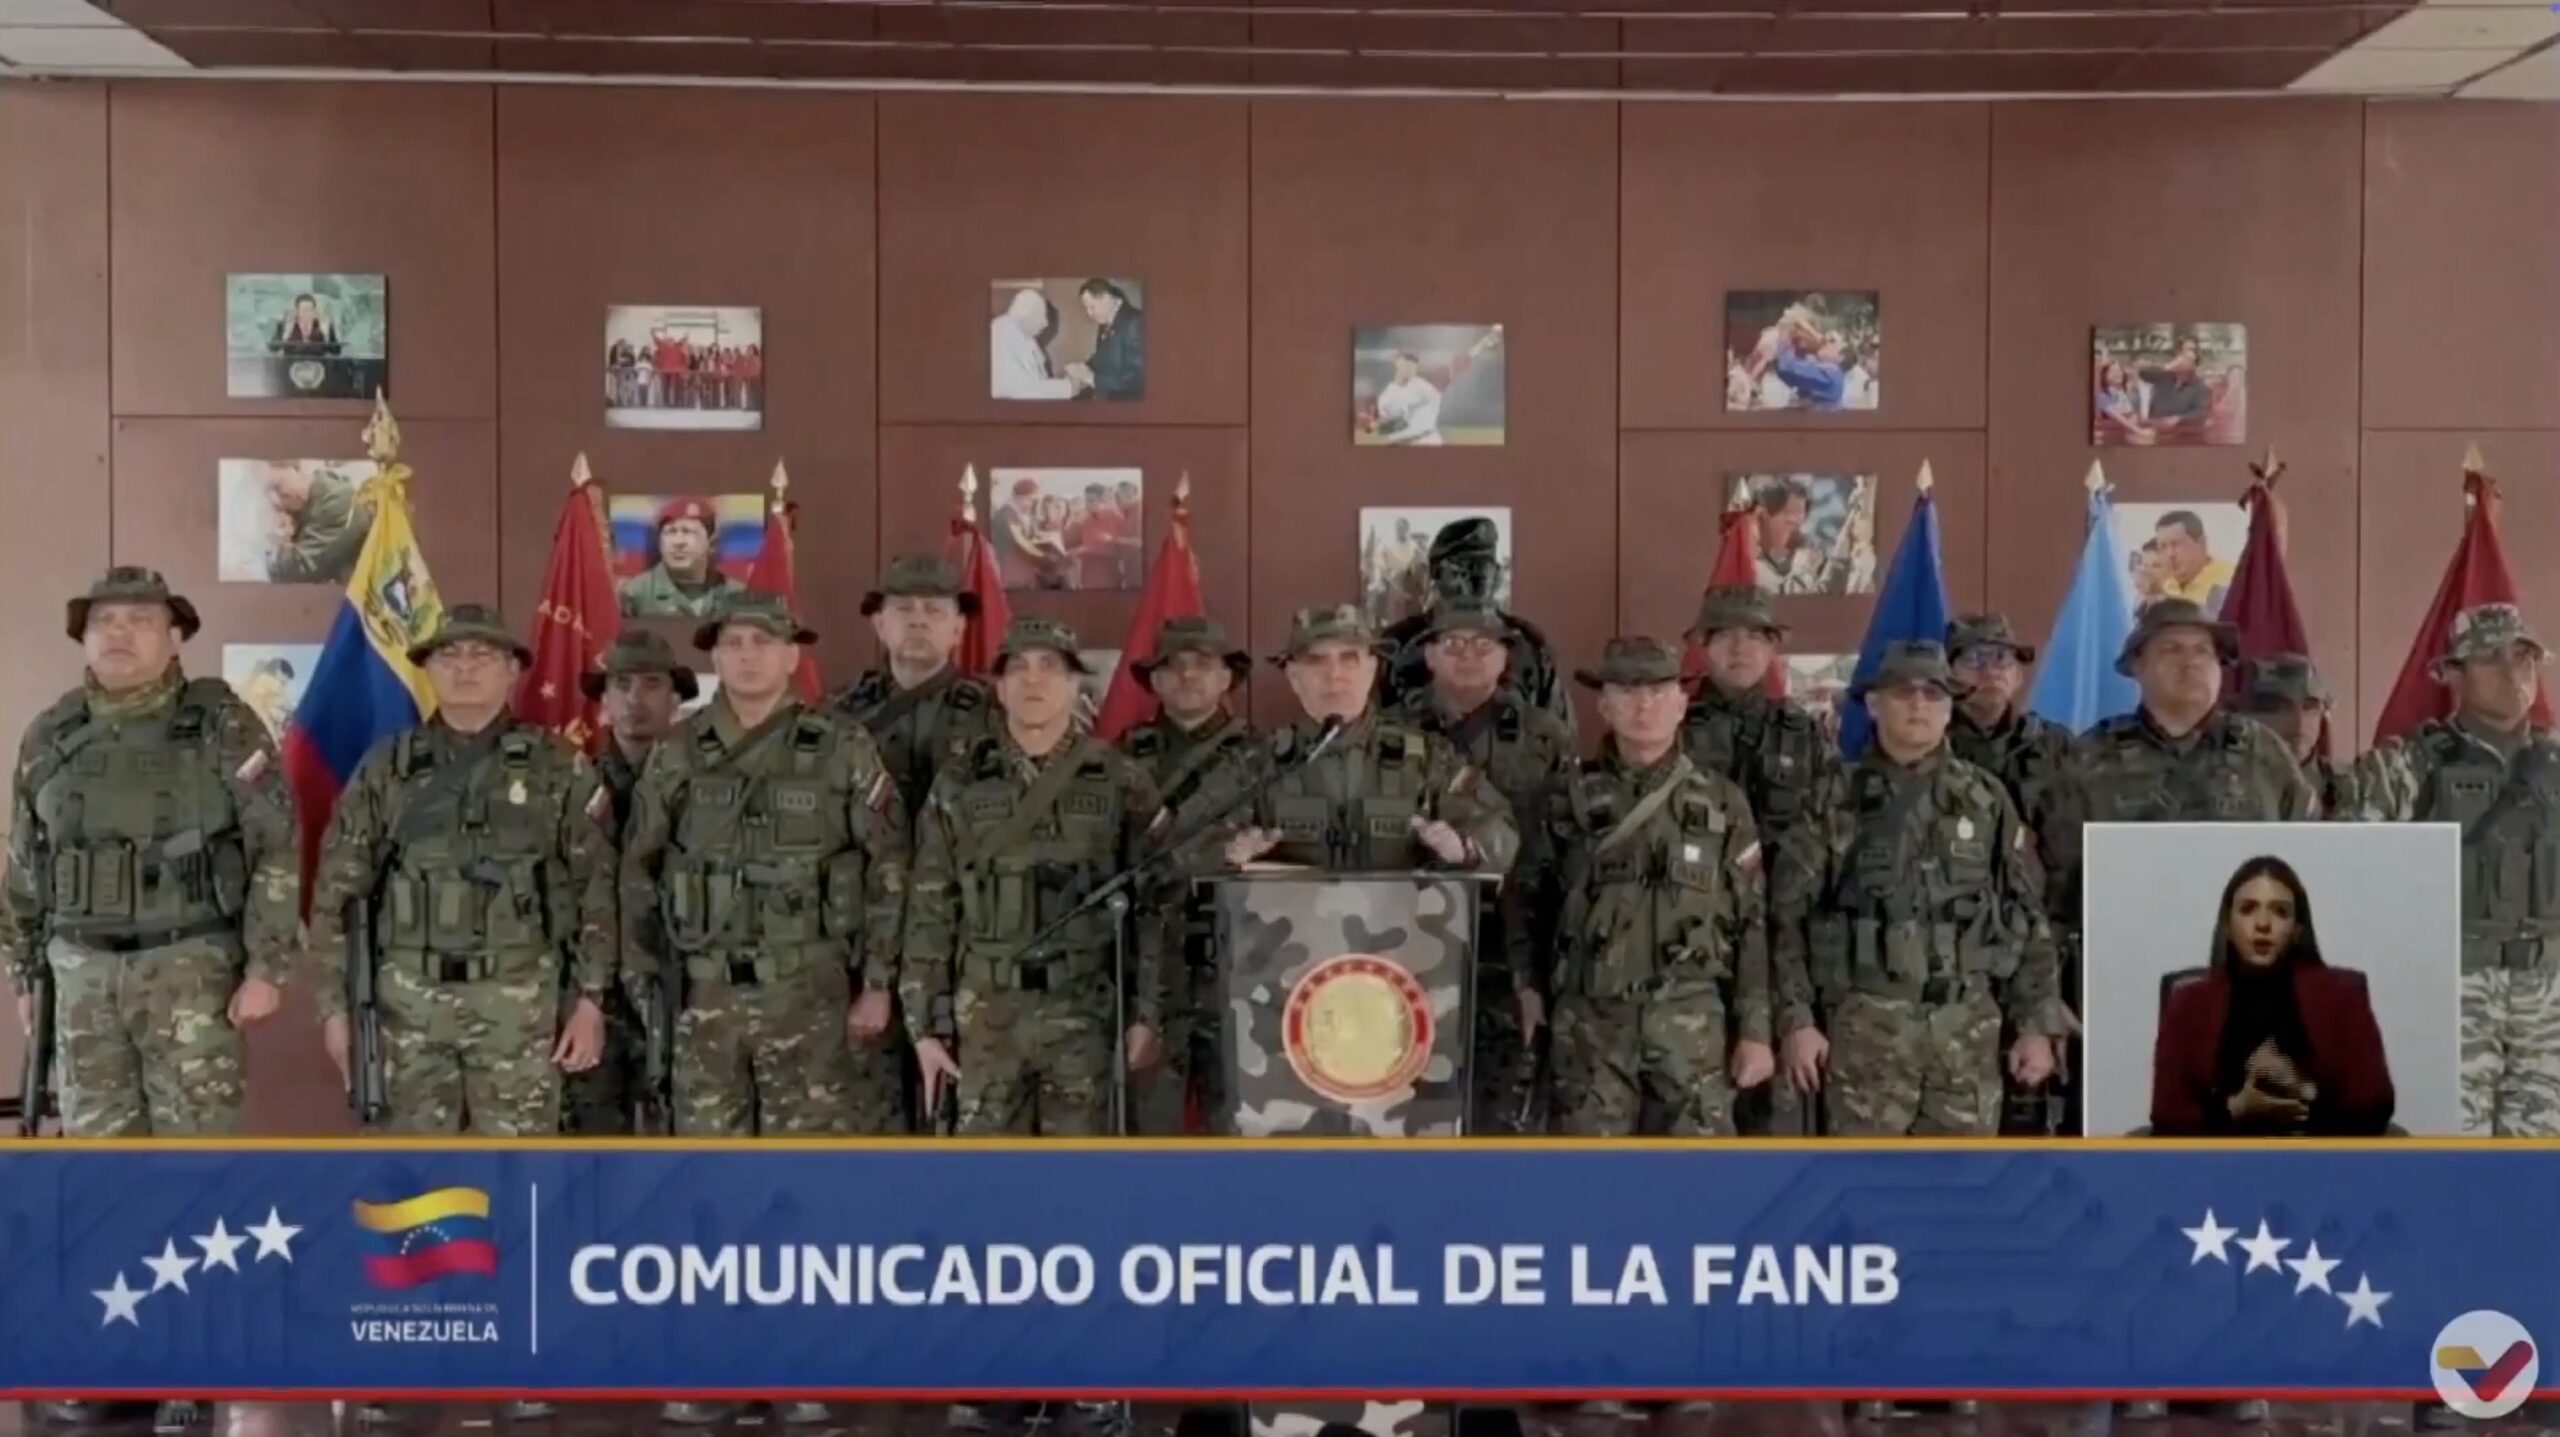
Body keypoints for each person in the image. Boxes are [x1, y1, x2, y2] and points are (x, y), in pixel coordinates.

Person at [4, 568, 300, 1433]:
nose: (120, 634)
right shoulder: (51, 735)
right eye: (103, 621)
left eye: (140, 619)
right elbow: (24, 864)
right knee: (99, 1174)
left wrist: (268, 964)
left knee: (195, 1169)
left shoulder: (220, 722)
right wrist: (27, 972)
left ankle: (191, 1361)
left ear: (176, 636)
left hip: (189, 968)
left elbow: (276, 844)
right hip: (82, 975)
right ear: (82, 637)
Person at [304, 604, 613, 1427]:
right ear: (429, 671)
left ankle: (525, 1351)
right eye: (452, 656)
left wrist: (590, 999)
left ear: (514, 671)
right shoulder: (389, 766)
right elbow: (338, 892)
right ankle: (404, 1351)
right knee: (408, 1175)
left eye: (484, 655)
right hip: (405, 1002)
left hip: (520, 997)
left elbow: (597, 892)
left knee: (523, 1177)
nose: (467, 668)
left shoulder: (555, 768)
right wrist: (336, 1006)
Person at [619, 594, 909, 1429]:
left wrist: (880, 980)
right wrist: (645, 986)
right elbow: (637, 874)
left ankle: (805, 1362)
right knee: (709, 1188)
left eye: (764, 643)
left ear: (793, 656)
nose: (747, 656)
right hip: (704, 996)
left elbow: (891, 869)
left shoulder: (843, 747)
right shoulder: (678, 750)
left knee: (805, 1187)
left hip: (810, 993)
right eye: (733, 643)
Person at [2331, 603, 2560, 1139]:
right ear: (2453, 675)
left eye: (2524, 658)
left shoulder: (2554, 764)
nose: (2513, 672)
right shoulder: (2409, 764)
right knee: (2452, 1153)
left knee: (2544, 1167)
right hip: (2450, 988)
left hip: (2549, 993)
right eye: (2493, 658)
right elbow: (2344, 863)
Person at [1542, 638, 1773, 1137]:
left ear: (1681, 701)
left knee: (1697, 1189)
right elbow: (1532, 906)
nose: (1643, 705)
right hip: (1592, 1025)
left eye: (1657, 690)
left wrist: (1755, 1031)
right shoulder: (1568, 798)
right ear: (1603, 704)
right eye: (1626, 691)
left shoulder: (1722, 801)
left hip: (1691, 1023)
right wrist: (1529, 993)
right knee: (1592, 1186)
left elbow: (1752, 923)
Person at [1397, 599, 1574, 1134]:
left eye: (1483, 645)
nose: (1468, 656)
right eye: (1452, 645)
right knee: (1411, 1102)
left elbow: (1560, 848)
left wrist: (1539, 970)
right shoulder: (1393, 730)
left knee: (1505, 1114)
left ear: (1506, 658)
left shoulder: (1544, 735)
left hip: (1511, 942)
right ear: (1429, 655)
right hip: (1410, 943)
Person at [1679, 585, 1846, 1135]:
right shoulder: (1670, 727)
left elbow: (1831, 838)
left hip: (1786, 946)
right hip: (1696, 945)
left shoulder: (1805, 735)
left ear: (1775, 648)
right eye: (1724, 635)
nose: (1740, 648)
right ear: (1702, 646)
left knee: (1781, 1125)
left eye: (1755, 635)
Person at [1114, 616, 1256, 1135]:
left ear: (1227, 680)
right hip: (1148, 971)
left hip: (1238, 966)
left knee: (1241, 1129)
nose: (1189, 677)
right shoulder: (1122, 757)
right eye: (1174, 667)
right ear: (1154, 681)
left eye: (1204, 666)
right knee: (1148, 1134)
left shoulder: (1261, 759)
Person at [1944, 612, 2078, 1136]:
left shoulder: (2056, 748)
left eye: (2005, 658)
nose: (1993, 670)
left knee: (2035, 1108)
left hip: (2040, 948)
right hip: (1955, 955)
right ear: (1949, 669)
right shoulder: (1927, 743)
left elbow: (2071, 859)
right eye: (1977, 658)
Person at [2149, 854, 2393, 1137]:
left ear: (2298, 929)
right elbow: (2166, 1115)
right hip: (2219, 1167)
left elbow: (2375, 1102)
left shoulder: (2342, 997)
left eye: (2280, 911)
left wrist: (2304, 1099)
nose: (2263, 923)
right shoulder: (2188, 1002)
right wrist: (2236, 1109)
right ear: (2227, 925)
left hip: (2318, 1163)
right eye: (2248, 909)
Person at [568, 631, 700, 1136]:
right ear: (603, 700)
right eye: (621, 685)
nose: (635, 700)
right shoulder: (570, 780)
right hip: (593, 999)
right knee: (591, 1141)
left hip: (677, 985)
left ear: (676, 698)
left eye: (651, 685)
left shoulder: (704, 783)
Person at [832, 555, 1002, 828]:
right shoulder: (842, 712)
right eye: (904, 608)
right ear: (880, 626)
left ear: (958, 629)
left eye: (933, 610)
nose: (918, 621)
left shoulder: (994, 712)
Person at [1376, 518, 1574, 746]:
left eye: (1482, 568)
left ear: (1498, 575)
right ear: (1435, 575)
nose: (1473, 580)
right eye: (1459, 569)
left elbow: (1558, 735)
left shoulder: (1528, 644)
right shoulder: (1400, 642)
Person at [2241, 654, 2343, 813]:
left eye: (2310, 708)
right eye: (2283, 707)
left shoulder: (2344, 786)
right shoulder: (2229, 780)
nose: (2299, 722)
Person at [617, 497, 745, 619]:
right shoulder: (634, 594)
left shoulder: (735, 594)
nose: (678, 542)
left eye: (688, 531)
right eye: (671, 532)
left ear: (712, 543)